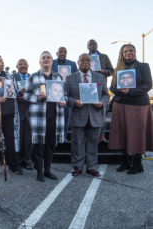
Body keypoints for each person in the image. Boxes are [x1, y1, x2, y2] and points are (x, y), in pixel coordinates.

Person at [108, 44, 153, 174]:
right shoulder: (118, 69)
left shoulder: (143, 66)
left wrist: (130, 91)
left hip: (138, 104)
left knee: (137, 133)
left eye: (131, 50)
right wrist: (120, 90)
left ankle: (137, 163)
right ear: (122, 54)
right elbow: (112, 87)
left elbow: (148, 85)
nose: (128, 53)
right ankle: (125, 162)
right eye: (125, 51)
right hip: (120, 104)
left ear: (135, 52)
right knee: (122, 133)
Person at [64, 54, 109, 177]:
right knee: (77, 143)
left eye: (88, 60)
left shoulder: (100, 78)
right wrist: (74, 102)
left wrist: (102, 103)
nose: (85, 62)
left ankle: (91, 167)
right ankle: (77, 166)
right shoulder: (69, 78)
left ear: (91, 63)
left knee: (93, 143)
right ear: (78, 62)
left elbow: (106, 95)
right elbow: (65, 95)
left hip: (95, 115)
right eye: (82, 60)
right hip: (78, 115)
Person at [24, 51, 66, 182]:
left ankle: (48, 170)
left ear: (52, 61)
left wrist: (64, 100)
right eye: (43, 58)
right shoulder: (33, 77)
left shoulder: (58, 77)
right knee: (39, 146)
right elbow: (26, 95)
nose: (46, 59)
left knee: (51, 145)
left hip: (55, 115)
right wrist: (37, 96)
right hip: (39, 116)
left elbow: (63, 94)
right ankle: (39, 171)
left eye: (48, 57)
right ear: (40, 62)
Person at [0, 55, 23, 177]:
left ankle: (14, 165)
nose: (2, 62)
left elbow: (15, 91)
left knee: (11, 140)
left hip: (9, 111)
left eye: (2, 60)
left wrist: (20, 92)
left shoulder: (9, 76)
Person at [87, 39, 114, 142]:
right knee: (88, 111)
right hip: (88, 86)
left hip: (100, 86)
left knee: (102, 111)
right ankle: (88, 133)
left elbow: (112, 71)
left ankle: (102, 134)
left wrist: (103, 71)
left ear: (97, 45)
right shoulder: (85, 57)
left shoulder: (104, 57)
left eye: (94, 43)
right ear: (87, 47)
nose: (92, 45)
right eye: (90, 44)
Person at [52, 47, 78, 140]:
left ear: (66, 53)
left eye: (64, 52)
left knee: (66, 115)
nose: (62, 53)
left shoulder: (72, 64)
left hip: (67, 92)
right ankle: (54, 135)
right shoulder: (52, 62)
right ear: (57, 53)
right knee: (54, 115)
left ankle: (63, 135)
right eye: (60, 52)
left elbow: (76, 77)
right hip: (53, 92)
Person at [14, 59, 33, 170]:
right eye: (20, 64)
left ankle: (28, 160)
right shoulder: (13, 78)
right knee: (19, 138)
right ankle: (18, 161)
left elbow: (36, 92)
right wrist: (18, 95)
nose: (23, 66)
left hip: (30, 111)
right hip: (18, 111)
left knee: (29, 139)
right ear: (17, 66)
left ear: (28, 66)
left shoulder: (32, 77)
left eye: (25, 64)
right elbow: (9, 92)